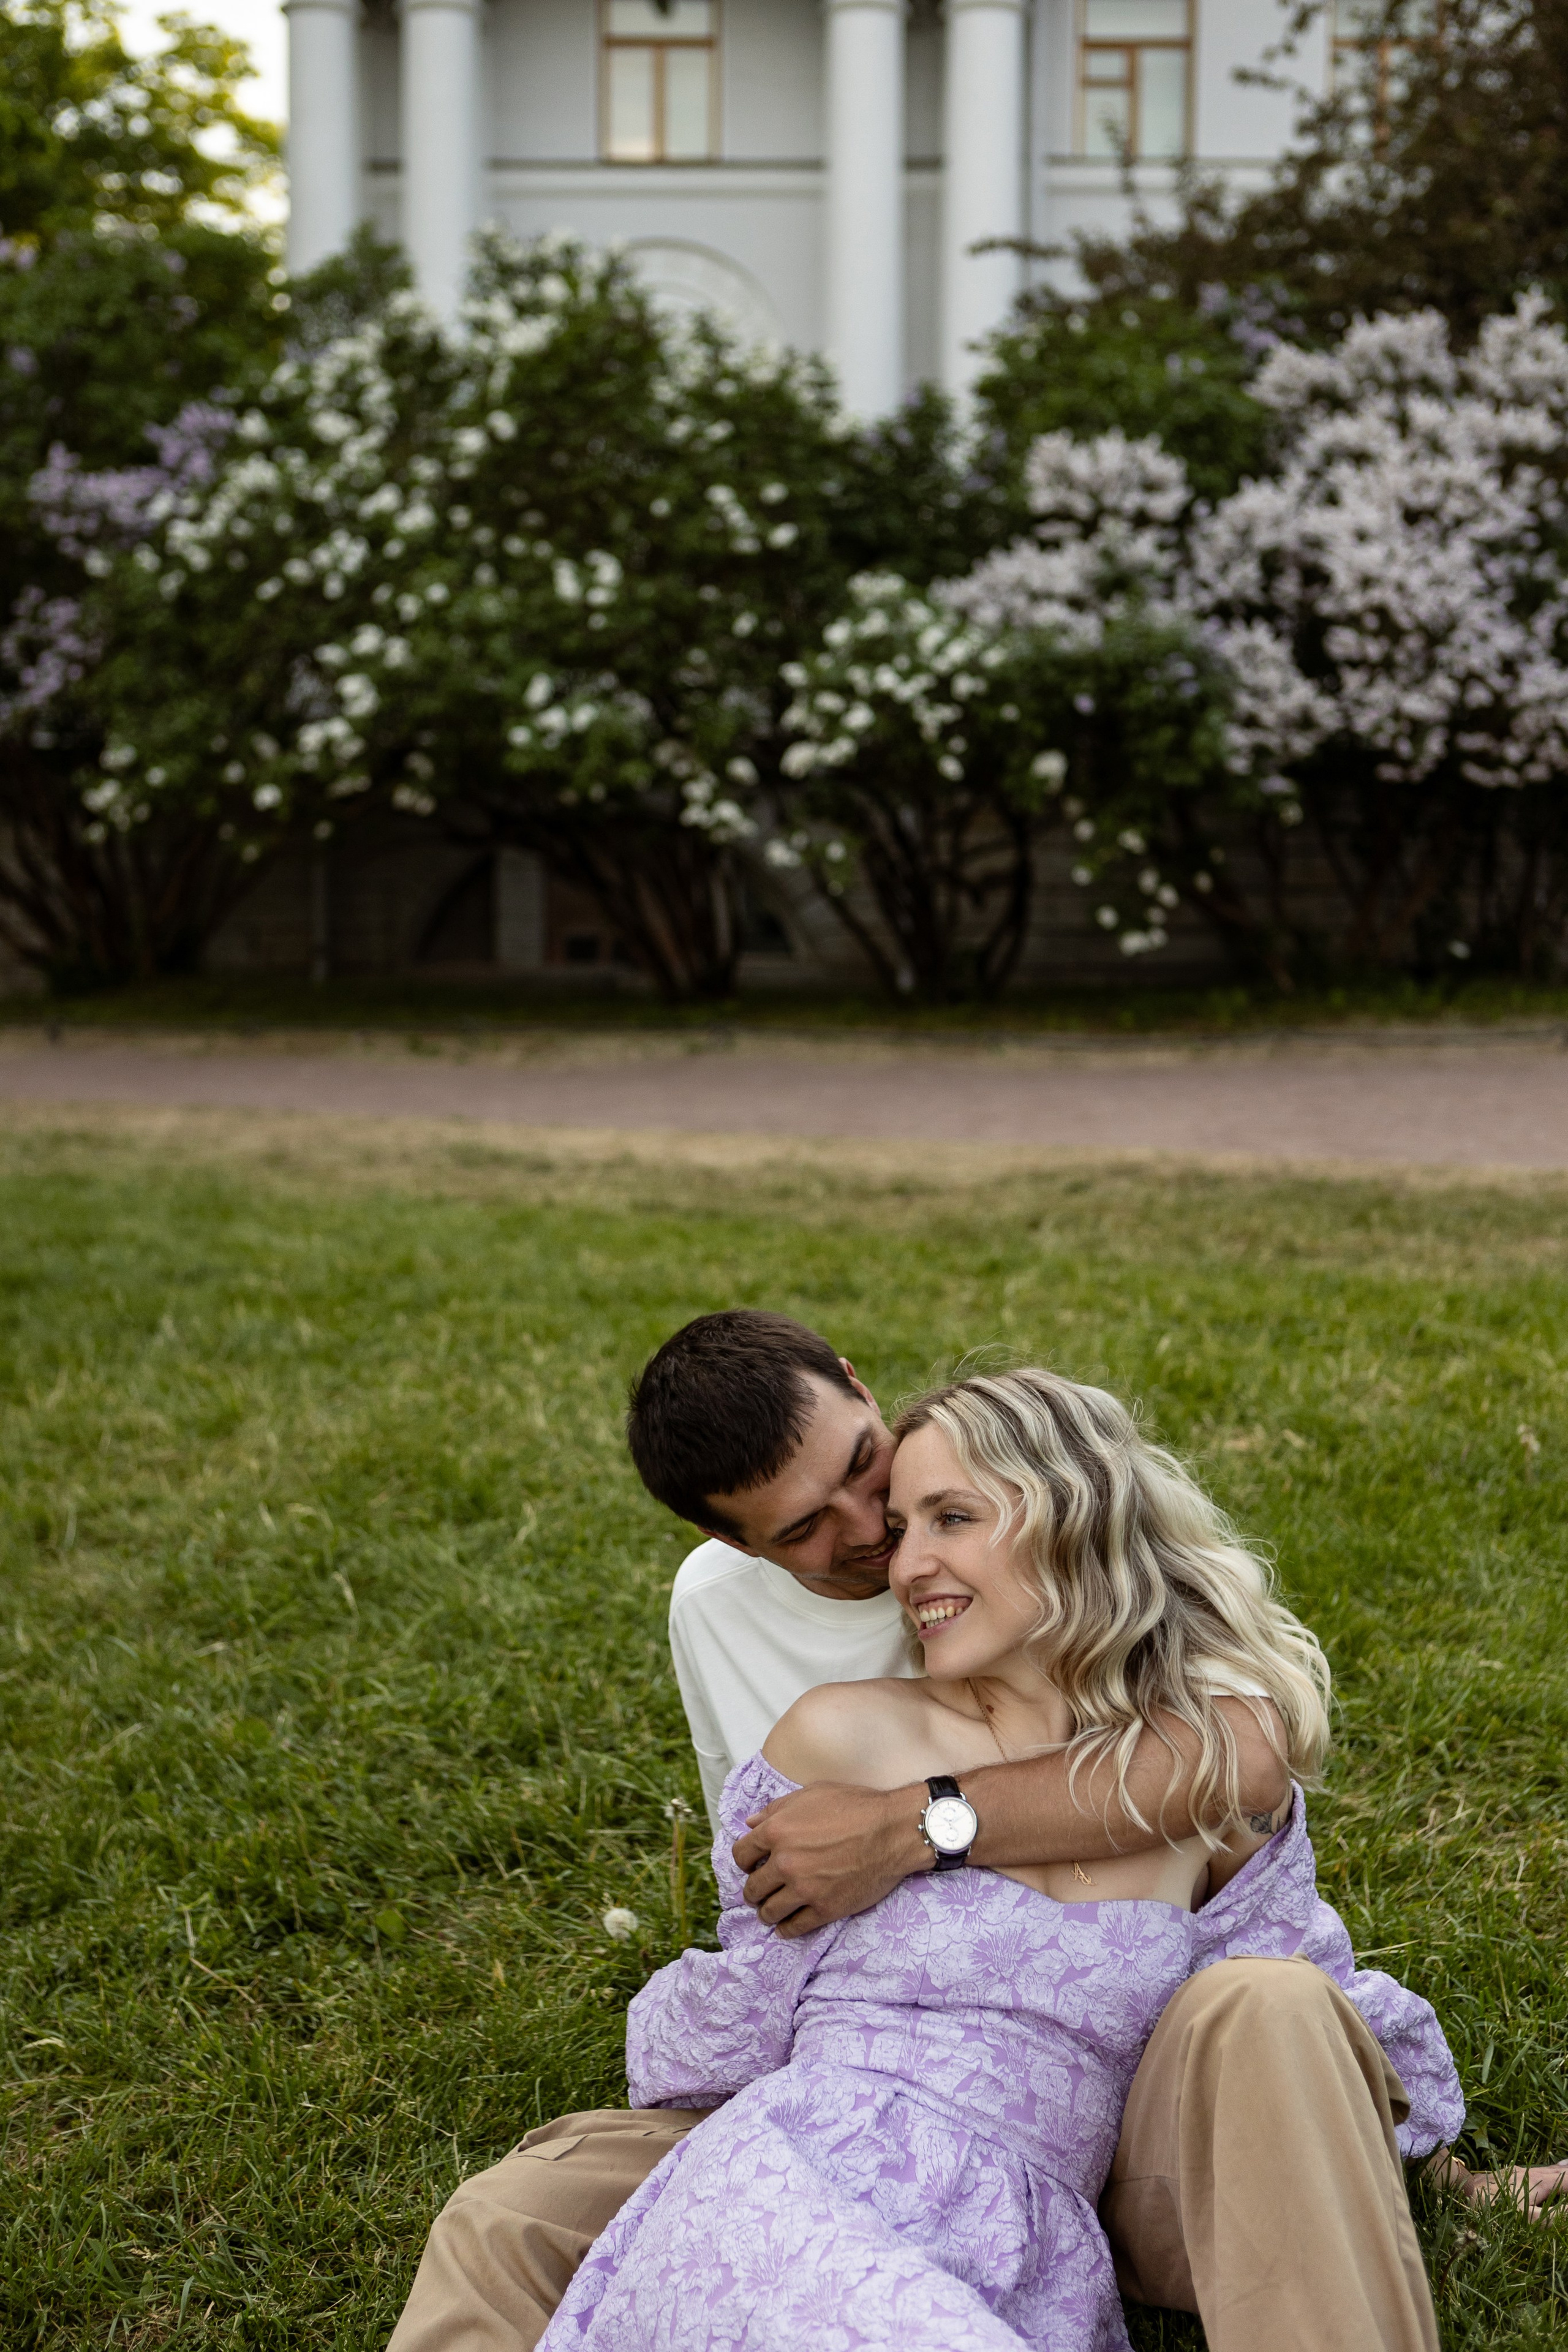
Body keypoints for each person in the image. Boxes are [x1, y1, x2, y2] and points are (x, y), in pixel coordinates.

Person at [383, 1314, 1538, 2352]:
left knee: (1274, 1999)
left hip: (1099, 2134)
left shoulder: (1185, 1723)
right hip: (844, 2119)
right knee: (510, 2214)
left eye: (890, 1491)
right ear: (740, 1546)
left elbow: (1255, 1812)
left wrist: (913, 1827)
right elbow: (764, 1941)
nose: (887, 1549)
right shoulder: (755, 1650)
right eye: (818, 1526)